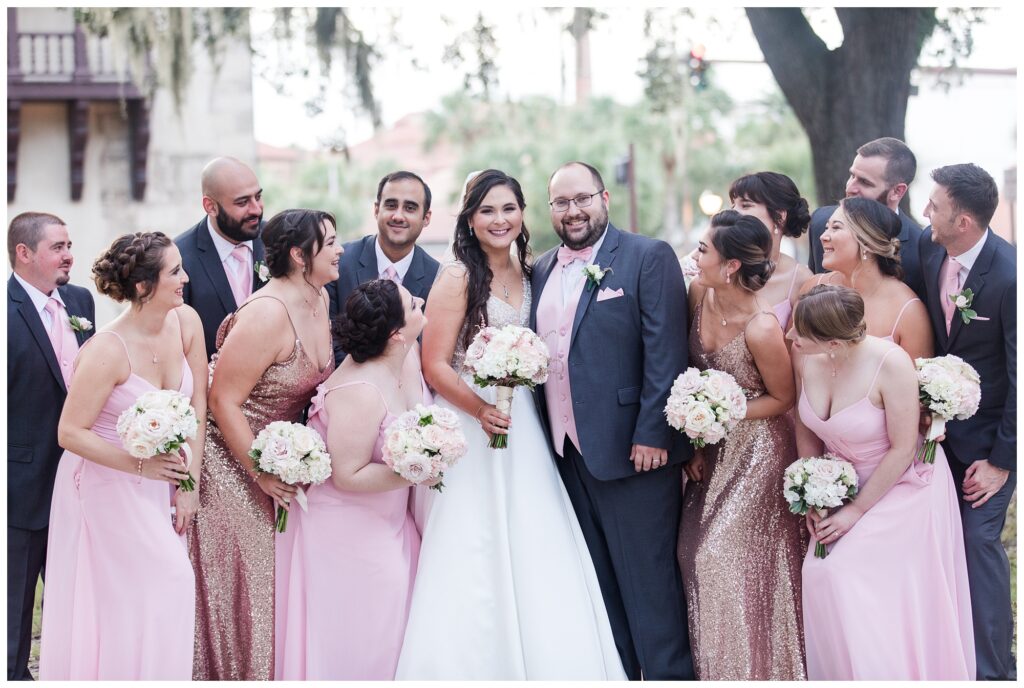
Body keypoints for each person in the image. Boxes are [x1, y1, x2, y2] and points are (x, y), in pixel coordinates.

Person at [396, 169, 625, 680]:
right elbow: (435, 364)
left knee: (536, 533)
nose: (499, 220)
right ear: (470, 220)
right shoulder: (457, 277)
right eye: (486, 211)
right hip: (473, 421)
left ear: (523, 213)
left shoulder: (533, 270)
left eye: (508, 208)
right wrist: (479, 411)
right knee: (474, 538)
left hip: (526, 424)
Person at [532, 162, 692, 680]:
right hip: (567, 455)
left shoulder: (648, 256)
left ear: (604, 197)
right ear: (550, 209)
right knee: (598, 589)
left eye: (582, 199)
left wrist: (653, 432)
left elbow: (664, 351)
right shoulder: (540, 269)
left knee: (648, 587)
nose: (573, 211)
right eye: (561, 202)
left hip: (634, 453)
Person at [39, 232, 207, 680]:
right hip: (105, 484)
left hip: (159, 485)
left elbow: (199, 406)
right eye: (175, 271)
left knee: (151, 598)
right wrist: (142, 466)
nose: (185, 278)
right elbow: (69, 432)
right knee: (162, 585)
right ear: (141, 287)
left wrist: (188, 484)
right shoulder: (107, 349)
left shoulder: (186, 321)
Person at [791, 284, 974, 680]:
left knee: (842, 573)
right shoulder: (806, 355)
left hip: (901, 485)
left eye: (799, 332)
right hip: (842, 483)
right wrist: (815, 491)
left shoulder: (890, 363)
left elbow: (904, 447)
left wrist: (854, 512)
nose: (790, 336)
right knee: (818, 574)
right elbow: (805, 426)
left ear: (834, 343)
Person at [189, 209, 339, 680]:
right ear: (299, 255)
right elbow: (222, 400)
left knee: (279, 582)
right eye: (330, 242)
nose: (340, 249)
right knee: (253, 582)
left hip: (280, 456)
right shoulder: (267, 314)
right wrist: (261, 472)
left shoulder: (321, 297)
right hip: (230, 462)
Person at [276, 279, 429, 680]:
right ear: (395, 333)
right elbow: (348, 474)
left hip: (391, 524)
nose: (421, 302)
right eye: (413, 305)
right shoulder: (359, 389)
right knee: (362, 637)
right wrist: (419, 469)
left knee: (393, 629)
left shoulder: (406, 356)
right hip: (348, 531)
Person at [677, 210, 806, 679]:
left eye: (704, 250)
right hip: (708, 450)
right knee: (691, 555)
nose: (696, 256)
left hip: (758, 454)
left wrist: (721, 411)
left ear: (731, 265)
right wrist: (695, 437)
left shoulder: (762, 327)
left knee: (717, 558)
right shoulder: (697, 293)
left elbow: (784, 398)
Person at [918, 163, 1016, 680]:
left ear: (965, 221)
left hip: (990, 447)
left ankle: (994, 671)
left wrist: (1001, 463)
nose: (925, 213)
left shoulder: (1010, 277)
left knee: (978, 544)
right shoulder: (930, 250)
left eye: (934, 206)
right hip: (934, 441)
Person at [6, 212, 95, 680]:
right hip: (23, 483)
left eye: (69, 244)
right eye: (58, 246)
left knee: (75, 594)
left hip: (82, 475)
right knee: (16, 607)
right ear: (24, 253)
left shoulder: (80, 300)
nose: (69, 255)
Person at [326, 170, 440, 365]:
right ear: (376, 209)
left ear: (426, 217)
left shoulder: (437, 277)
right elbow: (328, 338)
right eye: (391, 205)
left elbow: (430, 351)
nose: (398, 216)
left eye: (410, 208)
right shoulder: (340, 262)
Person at [798, 197, 933, 360]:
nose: (823, 236)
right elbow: (795, 356)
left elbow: (914, 381)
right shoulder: (813, 287)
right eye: (827, 227)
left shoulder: (909, 312)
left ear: (866, 242)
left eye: (836, 228)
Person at [176, 156, 267, 359]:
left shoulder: (280, 240)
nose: (256, 209)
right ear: (210, 206)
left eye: (258, 197)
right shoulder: (180, 258)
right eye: (242, 202)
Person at [807, 137, 924, 296]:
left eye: (864, 182)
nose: (850, 188)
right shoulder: (820, 222)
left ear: (898, 191)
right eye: (851, 176)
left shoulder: (921, 250)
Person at [728, 171, 812, 331]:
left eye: (745, 205)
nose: (733, 212)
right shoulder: (717, 265)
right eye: (733, 205)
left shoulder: (801, 280)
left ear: (779, 216)